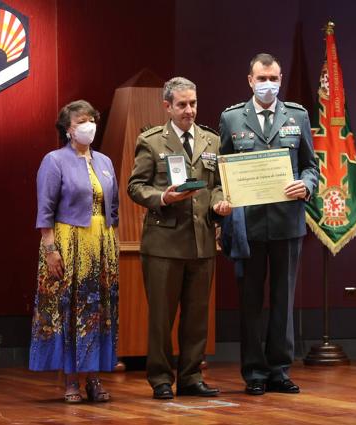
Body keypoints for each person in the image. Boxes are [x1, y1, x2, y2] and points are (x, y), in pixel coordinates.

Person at [219, 53, 318, 395]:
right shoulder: (232, 119)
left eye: (274, 78)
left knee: (282, 299)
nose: (268, 85)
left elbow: (311, 166)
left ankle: (279, 369)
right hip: (247, 225)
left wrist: (306, 185)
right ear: (250, 80)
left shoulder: (297, 115)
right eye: (262, 79)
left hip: (287, 222)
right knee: (250, 302)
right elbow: (222, 169)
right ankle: (254, 373)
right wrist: (224, 200)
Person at [128, 77, 231, 399]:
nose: (190, 110)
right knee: (162, 317)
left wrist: (219, 202)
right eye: (182, 105)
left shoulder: (211, 141)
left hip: (201, 241)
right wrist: (162, 197)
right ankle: (160, 378)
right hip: (164, 244)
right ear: (167, 106)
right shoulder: (152, 141)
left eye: (193, 103)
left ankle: (190, 376)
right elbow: (136, 186)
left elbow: (217, 184)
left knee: (197, 317)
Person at [30, 100, 119, 404]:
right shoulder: (54, 161)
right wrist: (51, 248)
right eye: (81, 121)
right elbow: (45, 210)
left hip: (102, 244)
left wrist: (112, 243)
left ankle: (94, 378)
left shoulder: (105, 162)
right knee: (72, 309)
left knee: (98, 311)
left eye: (92, 119)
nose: (89, 125)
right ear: (68, 129)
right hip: (69, 242)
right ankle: (71, 381)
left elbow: (114, 206)